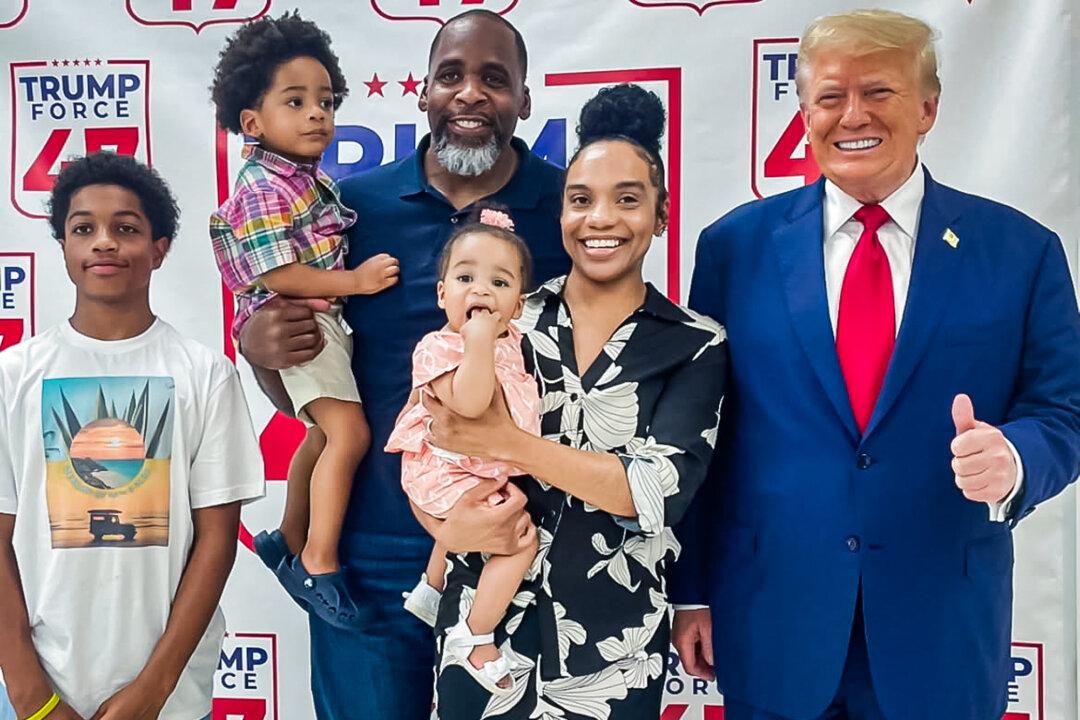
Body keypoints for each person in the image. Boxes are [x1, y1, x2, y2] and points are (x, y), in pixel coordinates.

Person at [671, 10, 1080, 720]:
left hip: (941, 632)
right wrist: (694, 588)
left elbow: (1065, 410)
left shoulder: (1022, 252)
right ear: (804, 112)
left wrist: (1014, 457)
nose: (851, 115)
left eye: (879, 93)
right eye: (830, 97)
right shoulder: (733, 249)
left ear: (927, 108)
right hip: (773, 624)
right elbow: (707, 434)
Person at [237, 9, 569, 718]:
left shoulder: (569, 210)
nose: (471, 94)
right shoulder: (352, 207)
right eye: (451, 75)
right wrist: (258, 350)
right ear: (422, 93)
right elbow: (302, 351)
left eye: (494, 79)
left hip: (517, 543)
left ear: (526, 101)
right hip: (372, 550)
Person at [421, 83, 726, 719]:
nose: (601, 219)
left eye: (628, 200)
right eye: (581, 200)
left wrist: (507, 442)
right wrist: (445, 530)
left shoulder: (694, 344)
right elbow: (433, 441)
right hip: (485, 632)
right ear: (560, 212)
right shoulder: (508, 317)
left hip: (615, 644)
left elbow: (654, 492)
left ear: (661, 215)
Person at [0, 152, 264, 720]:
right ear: (64, 248)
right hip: (40, 689)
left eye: (125, 228)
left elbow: (216, 543)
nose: (104, 242)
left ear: (158, 250)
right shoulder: (14, 375)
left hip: (166, 692)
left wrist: (152, 690)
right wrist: (30, 693)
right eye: (83, 228)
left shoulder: (204, 373)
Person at [209, 12, 399, 629]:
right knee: (350, 437)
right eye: (296, 101)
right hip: (299, 321)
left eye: (325, 100)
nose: (317, 113)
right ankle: (320, 562)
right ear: (253, 122)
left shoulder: (306, 182)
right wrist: (355, 282)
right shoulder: (265, 186)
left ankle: (286, 538)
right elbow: (277, 273)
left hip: (318, 324)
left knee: (321, 436)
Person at [386, 207, 541, 694]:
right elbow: (471, 405)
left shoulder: (513, 341)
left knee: (484, 507)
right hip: (442, 470)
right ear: (442, 293)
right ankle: (475, 637)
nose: (480, 291)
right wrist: (477, 344)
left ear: (518, 305)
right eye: (466, 277)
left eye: (499, 283)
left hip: (472, 466)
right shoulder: (439, 346)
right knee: (519, 541)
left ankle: (431, 589)